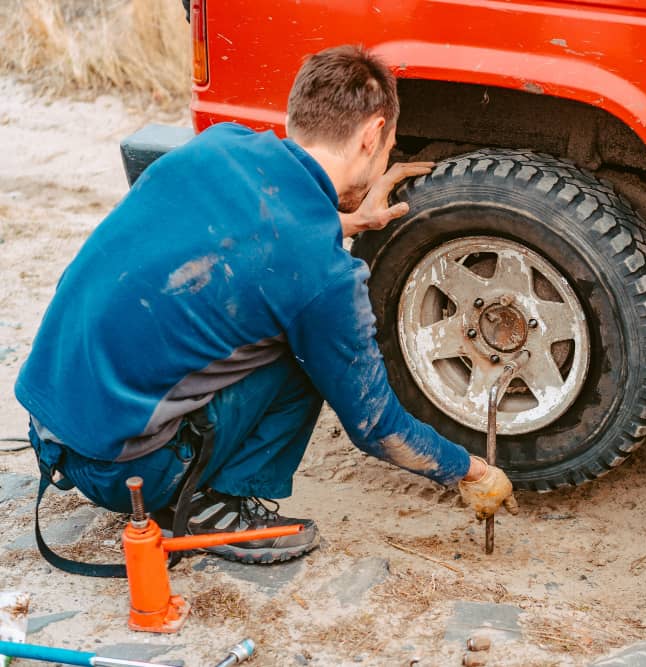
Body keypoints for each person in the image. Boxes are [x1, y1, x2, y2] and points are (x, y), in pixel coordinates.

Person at [15, 45, 518, 565]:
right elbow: (378, 428)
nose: (385, 154)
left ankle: (171, 472)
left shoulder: (216, 146)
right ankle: (217, 509)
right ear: (372, 135)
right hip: (123, 471)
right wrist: (471, 470)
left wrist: (348, 223)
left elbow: (244, 244)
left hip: (49, 427)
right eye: (388, 145)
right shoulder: (324, 279)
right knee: (315, 359)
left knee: (273, 324)